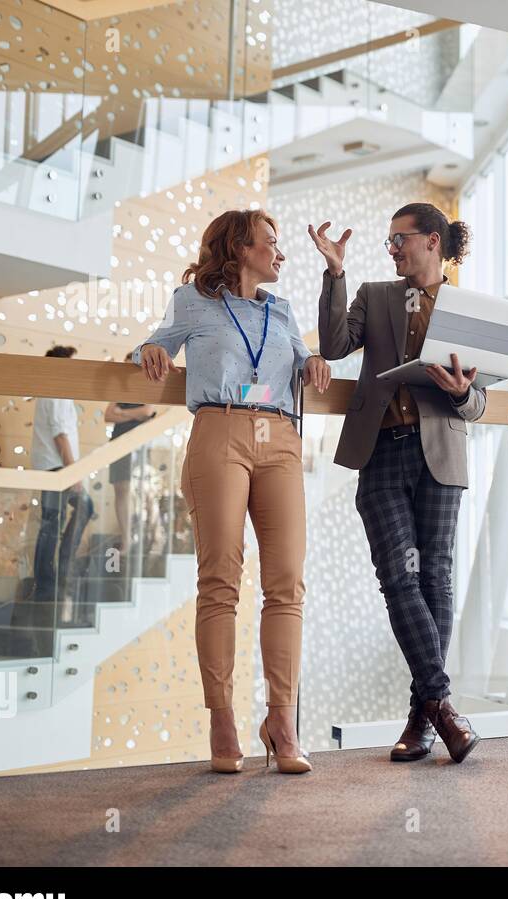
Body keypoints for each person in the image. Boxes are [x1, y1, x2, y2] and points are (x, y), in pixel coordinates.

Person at [134, 209, 332, 774]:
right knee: (220, 579)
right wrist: (148, 350)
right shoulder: (192, 300)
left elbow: (301, 360)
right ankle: (223, 721)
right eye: (270, 242)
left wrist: (314, 359)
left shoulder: (283, 311)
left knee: (287, 582)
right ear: (240, 248)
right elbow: (155, 345)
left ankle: (282, 720)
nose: (280, 252)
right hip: (219, 429)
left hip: (280, 436)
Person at [309, 201, 486, 764]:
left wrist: (461, 391)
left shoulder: (467, 309)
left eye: (399, 240)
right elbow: (336, 346)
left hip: (441, 454)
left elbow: (480, 401)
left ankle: (423, 714)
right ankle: (441, 702)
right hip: (381, 451)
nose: (392, 250)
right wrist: (335, 273)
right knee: (397, 576)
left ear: (432, 241)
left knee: (434, 575)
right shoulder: (375, 295)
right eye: (388, 243)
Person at [30, 346, 94, 621]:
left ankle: (54, 574)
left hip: (54, 467)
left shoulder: (54, 390)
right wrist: (75, 473)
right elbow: (60, 435)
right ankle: (50, 579)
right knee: (55, 522)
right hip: (57, 468)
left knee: (52, 523)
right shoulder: (55, 390)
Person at [103, 355, 157, 562]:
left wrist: (123, 413)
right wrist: (135, 414)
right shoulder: (119, 388)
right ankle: (126, 539)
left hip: (139, 445)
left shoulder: (148, 384)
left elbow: (148, 410)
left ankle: (153, 536)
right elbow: (108, 415)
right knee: (121, 489)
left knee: (144, 491)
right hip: (118, 443)